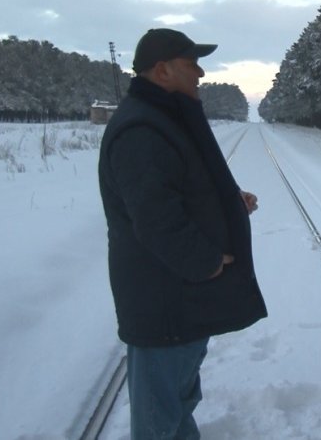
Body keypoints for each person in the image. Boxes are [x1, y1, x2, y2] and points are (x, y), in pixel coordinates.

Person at [98, 28, 267, 439]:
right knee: (159, 418)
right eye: (192, 64)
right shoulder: (142, 129)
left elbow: (179, 189)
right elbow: (156, 220)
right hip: (163, 306)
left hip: (179, 300)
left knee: (176, 403)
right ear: (162, 70)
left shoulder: (163, 118)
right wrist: (206, 262)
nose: (201, 73)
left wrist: (228, 203)